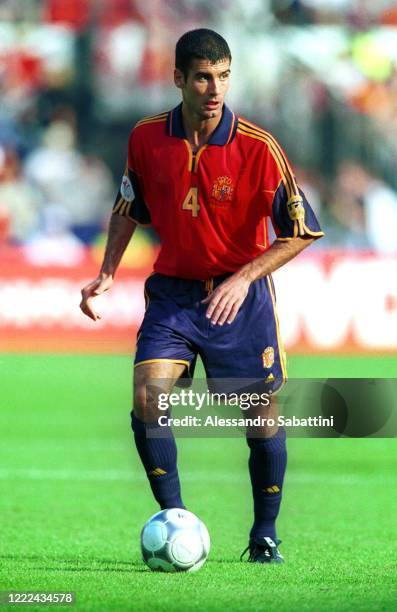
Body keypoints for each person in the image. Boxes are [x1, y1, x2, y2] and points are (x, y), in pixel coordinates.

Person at [80, 28, 323, 564]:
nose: (215, 89)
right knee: (148, 396)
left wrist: (243, 279)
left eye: (224, 76)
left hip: (240, 298)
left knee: (260, 416)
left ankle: (264, 535)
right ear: (179, 80)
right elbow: (128, 207)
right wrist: (107, 272)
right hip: (173, 296)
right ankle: (175, 521)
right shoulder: (146, 138)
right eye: (204, 77)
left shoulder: (259, 147)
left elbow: (302, 230)